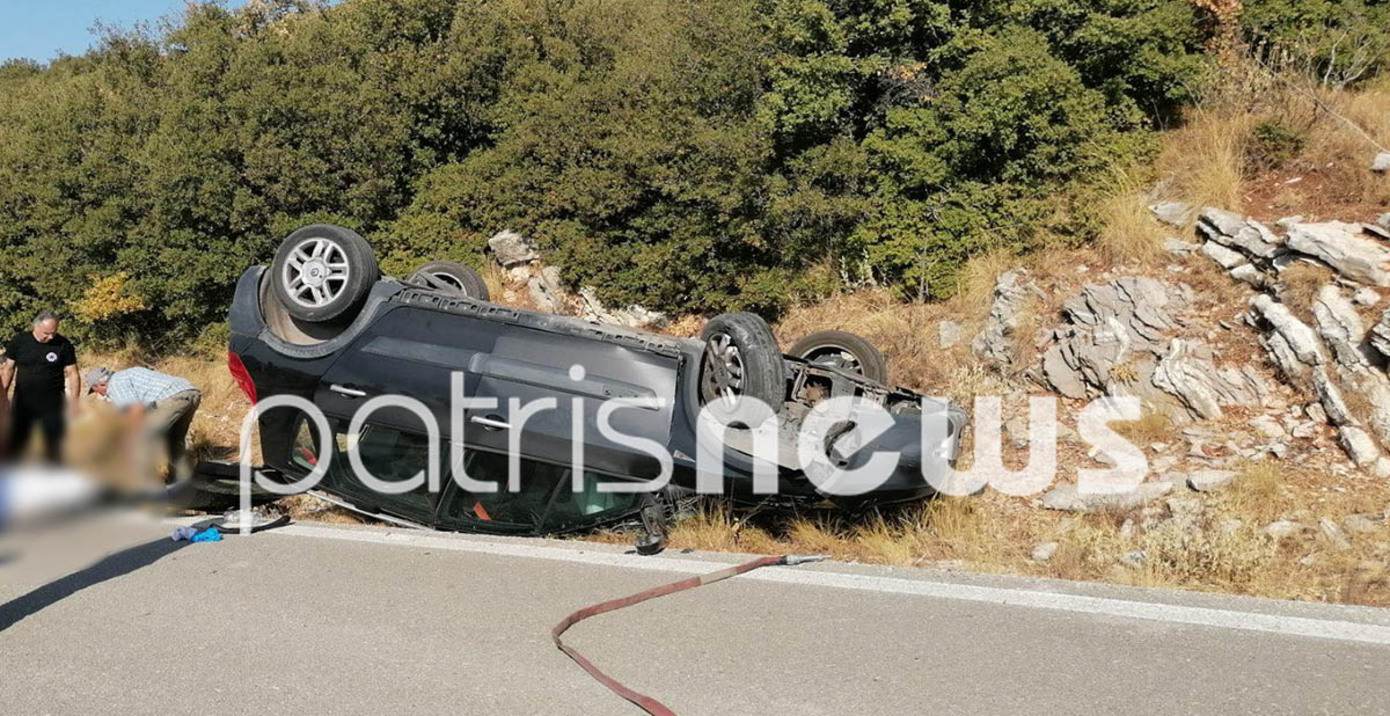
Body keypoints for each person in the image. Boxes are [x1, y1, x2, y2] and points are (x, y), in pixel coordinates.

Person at [84, 366, 202, 483]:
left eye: (95, 391)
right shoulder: (128, 375)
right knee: (174, 440)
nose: (99, 395)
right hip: (190, 392)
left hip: (172, 398)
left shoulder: (115, 384)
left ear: (102, 385)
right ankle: (180, 480)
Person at [0, 311, 80, 463]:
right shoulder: (19, 341)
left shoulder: (64, 344)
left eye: (54, 333)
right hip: (24, 401)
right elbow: (8, 369)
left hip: (53, 402)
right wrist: (2, 396)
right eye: (46, 333)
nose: (50, 337)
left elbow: (73, 373)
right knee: (17, 441)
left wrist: (74, 402)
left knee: (53, 443)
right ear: (35, 327)